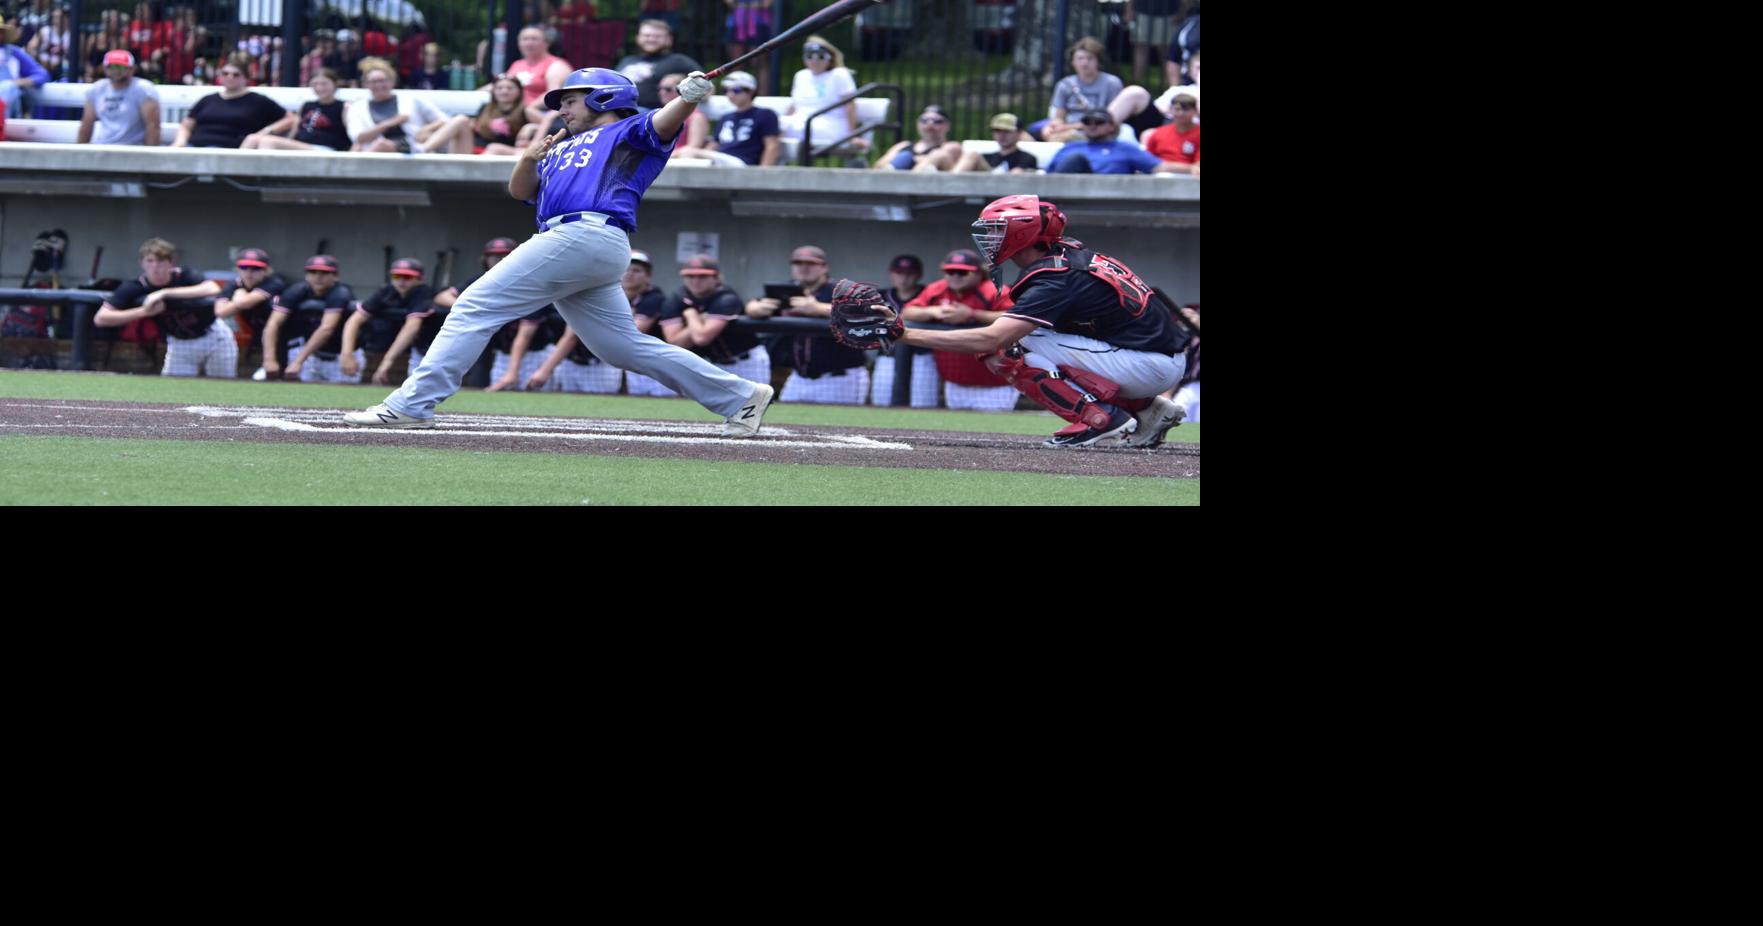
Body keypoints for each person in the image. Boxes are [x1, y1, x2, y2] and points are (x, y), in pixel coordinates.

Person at [344, 67, 774, 437]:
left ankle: (413, 405)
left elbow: (664, 121)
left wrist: (687, 97)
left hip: (586, 234)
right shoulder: (558, 146)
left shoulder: (627, 131)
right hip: (581, 244)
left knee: (473, 305)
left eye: (571, 101)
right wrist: (528, 159)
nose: (562, 110)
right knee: (619, 347)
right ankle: (740, 397)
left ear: (604, 97)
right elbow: (521, 193)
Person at [888, 195, 1186, 448]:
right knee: (1024, 337)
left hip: (1147, 364)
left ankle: (1097, 419)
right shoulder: (1068, 253)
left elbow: (992, 339)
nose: (990, 239)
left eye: (997, 230)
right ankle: (1149, 410)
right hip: (1151, 357)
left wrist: (903, 334)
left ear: (1022, 235)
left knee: (1007, 345)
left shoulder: (1054, 280)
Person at [94, 238, 237, 378]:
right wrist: (143, 312)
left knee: (222, 384)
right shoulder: (135, 287)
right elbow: (101, 318)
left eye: (161, 261)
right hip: (180, 343)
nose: (155, 267)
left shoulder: (184, 275)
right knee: (174, 391)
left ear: (171, 263)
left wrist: (163, 293)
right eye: (150, 261)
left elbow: (212, 288)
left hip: (213, 336)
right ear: (142, 263)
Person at [896, 249, 1018, 411]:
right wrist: (933, 311)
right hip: (955, 382)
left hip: (995, 384)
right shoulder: (937, 289)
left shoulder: (994, 290)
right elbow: (907, 312)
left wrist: (972, 314)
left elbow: (1017, 317)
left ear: (978, 273)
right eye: (950, 271)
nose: (955, 276)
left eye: (962, 272)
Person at [746, 245, 868, 404]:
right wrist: (756, 309)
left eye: (810, 264)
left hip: (840, 377)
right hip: (799, 378)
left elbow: (865, 314)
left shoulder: (841, 290)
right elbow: (751, 305)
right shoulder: (786, 290)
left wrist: (817, 308)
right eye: (798, 263)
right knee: (783, 419)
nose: (804, 268)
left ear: (824, 267)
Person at [659, 255, 770, 387]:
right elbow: (676, 343)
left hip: (746, 361)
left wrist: (691, 315)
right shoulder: (676, 299)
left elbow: (701, 337)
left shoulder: (726, 298)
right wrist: (699, 320)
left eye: (702, 277)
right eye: (690, 276)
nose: (696, 281)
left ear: (716, 278)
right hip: (714, 364)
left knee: (755, 404)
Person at [341, 257, 436, 386]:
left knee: (422, 389)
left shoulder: (423, 292)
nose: (401, 281)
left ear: (420, 279)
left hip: (429, 350)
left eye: (408, 277)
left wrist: (385, 364)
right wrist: (347, 354)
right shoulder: (387, 291)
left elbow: (411, 328)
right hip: (408, 349)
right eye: (397, 276)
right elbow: (354, 320)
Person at [265, 254, 360, 383]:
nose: (318, 276)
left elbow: (326, 329)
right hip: (311, 354)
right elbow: (273, 323)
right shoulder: (296, 290)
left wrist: (298, 362)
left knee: (343, 397)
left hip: (340, 356)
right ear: (306, 274)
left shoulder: (340, 293)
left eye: (324, 272)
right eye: (313, 271)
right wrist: (269, 359)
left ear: (336, 276)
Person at [346, 57, 467, 153]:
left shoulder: (412, 100)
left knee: (461, 121)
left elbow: (444, 120)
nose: (379, 85)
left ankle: (421, 149)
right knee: (381, 145)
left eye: (383, 80)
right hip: (377, 149)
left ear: (392, 82)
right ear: (366, 84)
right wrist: (389, 123)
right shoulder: (357, 108)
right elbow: (358, 138)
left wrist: (426, 129)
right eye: (374, 82)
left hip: (412, 146)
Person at [868, 253, 938, 408]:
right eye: (899, 273)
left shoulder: (929, 294)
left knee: (923, 405)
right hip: (888, 356)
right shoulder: (879, 296)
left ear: (919, 275)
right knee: (881, 402)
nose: (904, 278)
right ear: (891, 274)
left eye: (909, 274)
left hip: (922, 356)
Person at [673, 70, 778, 166]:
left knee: (689, 152)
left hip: (744, 162)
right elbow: (714, 144)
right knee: (689, 156)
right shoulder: (726, 117)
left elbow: (771, 146)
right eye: (726, 90)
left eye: (736, 90)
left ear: (750, 91)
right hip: (722, 160)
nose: (730, 94)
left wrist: (762, 174)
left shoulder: (765, 114)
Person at [170, 61, 284, 147]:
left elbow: (290, 118)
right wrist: (180, 142)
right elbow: (186, 125)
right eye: (225, 73)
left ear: (246, 77)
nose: (229, 77)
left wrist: (266, 131)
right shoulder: (208, 99)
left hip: (231, 153)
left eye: (236, 74)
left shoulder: (258, 101)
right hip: (195, 148)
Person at [781, 36, 863, 153]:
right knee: (771, 126)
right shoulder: (801, 75)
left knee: (772, 128)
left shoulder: (839, 74)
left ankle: (763, 167)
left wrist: (852, 135)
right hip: (801, 123)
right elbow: (794, 106)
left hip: (831, 126)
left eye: (821, 56)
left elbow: (850, 105)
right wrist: (783, 119)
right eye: (809, 56)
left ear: (830, 58)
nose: (815, 61)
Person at [215, 248, 286, 381]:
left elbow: (245, 302)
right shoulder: (233, 284)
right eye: (244, 267)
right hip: (259, 340)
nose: (249, 272)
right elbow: (220, 312)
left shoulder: (273, 283)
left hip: (285, 341)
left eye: (256, 268)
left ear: (266, 270)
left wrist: (239, 293)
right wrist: (240, 296)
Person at [1047, 109, 1188, 175]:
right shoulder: (1069, 147)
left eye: (1099, 122)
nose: (1092, 125)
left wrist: (1192, 168)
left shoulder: (1125, 148)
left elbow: (1159, 167)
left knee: (1075, 160)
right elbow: (1046, 175)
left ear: (1112, 126)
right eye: (1087, 122)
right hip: (1061, 196)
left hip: (1101, 196)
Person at [240, 69, 351, 151]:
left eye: (324, 84)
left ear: (335, 84)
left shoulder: (343, 106)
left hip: (326, 148)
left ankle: (261, 180)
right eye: (315, 84)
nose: (320, 88)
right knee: (252, 138)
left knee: (268, 142)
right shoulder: (306, 105)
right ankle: (237, 173)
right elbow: (295, 131)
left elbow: (350, 135)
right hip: (300, 145)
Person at [78, 50, 162, 146]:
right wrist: (78, 156)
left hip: (133, 151)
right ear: (104, 69)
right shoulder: (96, 89)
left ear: (132, 69)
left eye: (121, 67)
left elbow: (153, 126)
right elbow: (86, 125)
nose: (116, 71)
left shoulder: (143, 89)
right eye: (112, 67)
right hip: (102, 148)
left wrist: (149, 157)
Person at [614, 19, 700, 110]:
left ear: (669, 40)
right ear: (638, 38)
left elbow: (706, 87)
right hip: (616, 110)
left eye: (657, 36)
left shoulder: (679, 61)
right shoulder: (627, 60)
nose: (651, 39)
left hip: (651, 115)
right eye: (647, 35)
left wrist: (679, 80)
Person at [500, 25, 571, 112]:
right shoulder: (517, 64)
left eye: (534, 39)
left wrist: (525, 109)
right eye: (525, 39)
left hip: (541, 113)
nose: (529, 43)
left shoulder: (556, 65)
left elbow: (552, 94)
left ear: (547, 43)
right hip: (515, 112)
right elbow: (500, 85)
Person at [873, 104, 962, 172]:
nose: (930, 124)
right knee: (904, 156)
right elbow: (879, 165)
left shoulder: (950, 146)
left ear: (947, 126)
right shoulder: (903, 145)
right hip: (897, 183)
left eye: (937, 121)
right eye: (924, 120)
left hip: (931, 188)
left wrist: (913, 160)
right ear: (917, 124)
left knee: (937, 155)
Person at [954, 113, 1039, 174]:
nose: (1001, 135)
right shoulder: (986, 157)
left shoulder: (1027, 158)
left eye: (1007, 131)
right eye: (997, 131)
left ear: (1019, 133)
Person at [2, 15, 51, 116]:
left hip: (8, 110)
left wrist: (19, 83)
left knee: (7, 87)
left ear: (2, 33)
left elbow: (42, 75)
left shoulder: (13, 52)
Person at [722, 0, 774, 95]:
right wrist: (753, 5)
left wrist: (741, 5)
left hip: (759, 23)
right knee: (736, 62)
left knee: (759, 63)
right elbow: (729, 3)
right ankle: (734, 92)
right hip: (736, 23)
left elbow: (767, 3)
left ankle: (762, 96)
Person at [1141, 92, 1199, 176]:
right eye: (1177, 109)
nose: (1181, 113)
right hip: (1158, 177)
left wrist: (1167, 167)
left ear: (1195, 111)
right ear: (1170, 109)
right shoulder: (1158, 133)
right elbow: (1147, 161)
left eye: (1186, 109)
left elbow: (1197, 167)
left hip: (1189, 178)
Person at [23, 6, 69, 81]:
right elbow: (30, 48)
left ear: (66, 18)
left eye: (60, 17)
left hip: (64, 68)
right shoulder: (45, 31)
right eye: (55, 17)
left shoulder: (72, 34)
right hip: (44, 65)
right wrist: (42, 60)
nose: (57, 19)